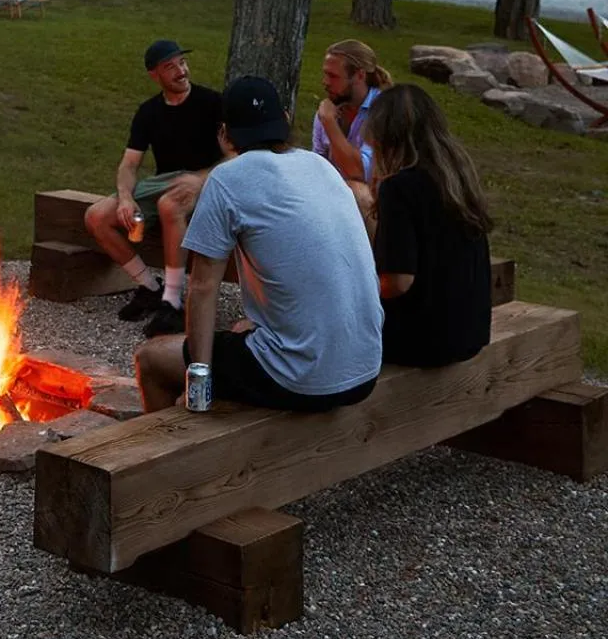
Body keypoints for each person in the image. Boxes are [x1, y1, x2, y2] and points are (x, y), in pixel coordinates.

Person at [136, 75, 383, 413]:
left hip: (303, 379)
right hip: (365, 368)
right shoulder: (320, 166)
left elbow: (204, 286)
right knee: (243, 328)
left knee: (151, 358)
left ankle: (166, 459)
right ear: (285, 118)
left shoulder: (226, 179)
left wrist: (200, 381)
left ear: (225, 134)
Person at [84, 39, 223, 334]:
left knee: (168, 205)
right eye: (170, 67)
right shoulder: (148, 112)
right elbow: (129, 164)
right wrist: (124, 198)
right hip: (164, 181)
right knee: (96, 216)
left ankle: (173, 302)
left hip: (208, 181)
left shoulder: (212, 103)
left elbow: (236, 156)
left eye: (182, 63)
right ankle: (149, 286)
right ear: (154, 75)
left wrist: (200, 179)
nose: (180, 71)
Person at [366, 83, 493, 366]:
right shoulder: (456, 175)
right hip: (469, 332)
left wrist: (359, 293)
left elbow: (398, 282)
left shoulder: (399, 188)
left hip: (424, 340)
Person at [311, 40, 392, 217]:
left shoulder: (383, 111)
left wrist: (330, 124)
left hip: (380, 205)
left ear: (359, 76)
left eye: (333, 76)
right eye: (325, 74)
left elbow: (360, 172)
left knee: (357, 191)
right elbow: (317, 166)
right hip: (335, 198)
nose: (325, 82)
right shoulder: (329, 110)